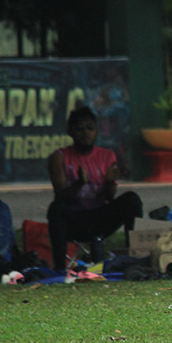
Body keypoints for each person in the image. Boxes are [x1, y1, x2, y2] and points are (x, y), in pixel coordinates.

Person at [46, 106, 143, 271]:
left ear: (97, 130)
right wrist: (78, 184)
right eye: (80, 129)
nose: (86, 133)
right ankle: (60, 268)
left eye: (90, 128)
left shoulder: (107, 155)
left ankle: (134, 256)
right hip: (73, 219)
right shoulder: (59, 157)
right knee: (55, 210)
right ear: (70, 131)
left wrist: (110, 183)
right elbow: (60, 196)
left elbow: (109, 198)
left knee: (131, 199)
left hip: (99, 217)